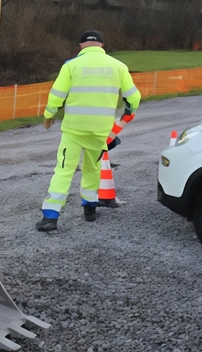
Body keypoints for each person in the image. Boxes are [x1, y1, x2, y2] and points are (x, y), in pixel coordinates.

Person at [36, 30, 141, 232]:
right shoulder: (119, 67)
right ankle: (90, 211)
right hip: (100, 131)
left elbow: (56, 95)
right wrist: (128, 112)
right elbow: (134, 98)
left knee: (64, 170)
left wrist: (49, 115)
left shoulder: (71, 66)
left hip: (74, 129)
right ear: (102, 45)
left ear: (81, 45)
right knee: (92, 169)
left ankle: (50, 217)